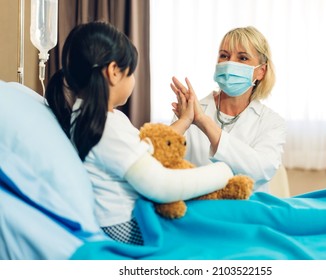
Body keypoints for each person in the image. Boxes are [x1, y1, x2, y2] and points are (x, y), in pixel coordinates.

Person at [45, 21, 234, 245]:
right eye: (131, 72)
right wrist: (222, 173)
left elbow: (144, 150)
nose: (133, 80)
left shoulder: (92, 117)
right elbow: (161, 186)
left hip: (122, 221)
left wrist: (185, 121)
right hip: (125, 228)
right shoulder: (107, 128)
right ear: (114, 72)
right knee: (215, 232)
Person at [170, 26, 286, 193]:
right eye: (224, 55)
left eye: (243, 58)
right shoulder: (188, 110)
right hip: (198, 210)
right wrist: (184, 121)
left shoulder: (272, 122)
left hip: (248, 213)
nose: (230, 63)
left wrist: (204, 122)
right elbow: (165, 164)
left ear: (261, 71)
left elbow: (259, 171)